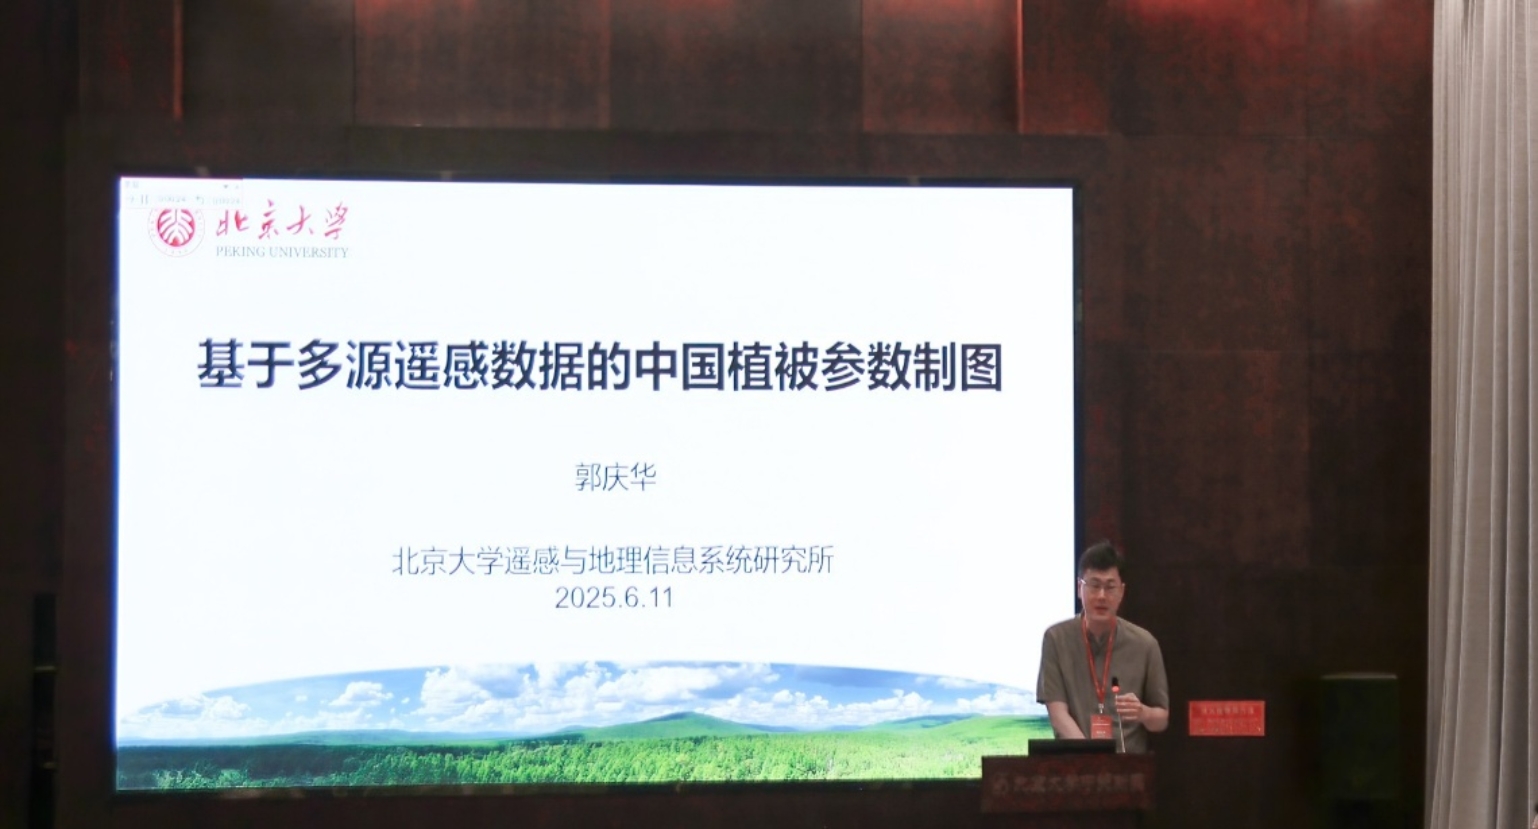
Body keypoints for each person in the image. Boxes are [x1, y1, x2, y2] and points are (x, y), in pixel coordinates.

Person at [1036, 540, 1169, 753]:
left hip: (1128, 765)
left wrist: (1143, 713)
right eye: (1094, 585)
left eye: (1110, 587)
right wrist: (1091, 759)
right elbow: (1058, 714)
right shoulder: (1056, 639)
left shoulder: (1145, 644)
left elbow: (1161, 720)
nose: (1101, 596)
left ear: (1121, 592)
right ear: (1079, 588)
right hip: (1076, 764)